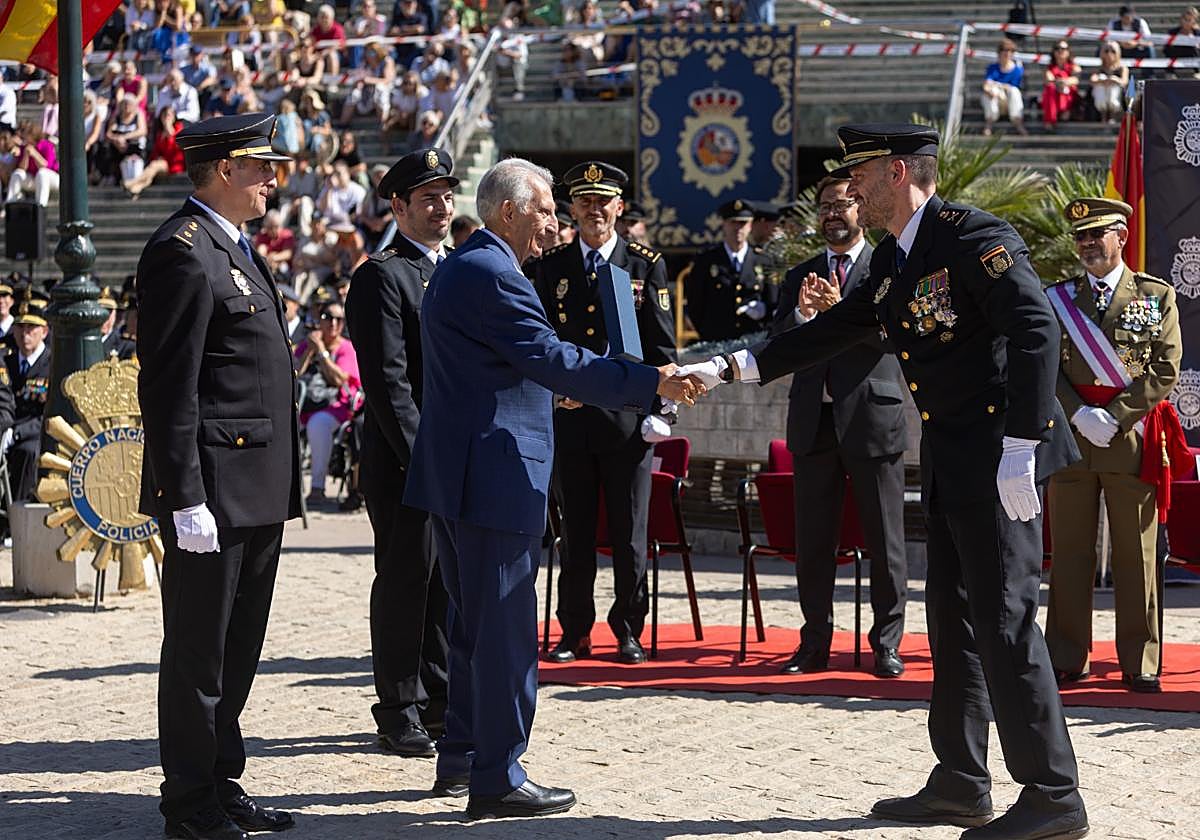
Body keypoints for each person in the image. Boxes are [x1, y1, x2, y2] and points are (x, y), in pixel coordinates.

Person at [680, 124, 1089, 840]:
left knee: (1005, 621)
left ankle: (1054, 795)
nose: (848, 191)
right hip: (956, 461)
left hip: (1002, 461)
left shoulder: (967, 234)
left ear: (897, 172)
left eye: (859, 176)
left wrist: (1024, 443)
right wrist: (726, 369)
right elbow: (833, 330)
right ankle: (962, 779)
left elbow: (1035, 328)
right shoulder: (896, 259)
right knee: (956, 624)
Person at [402, 157, 702, 818]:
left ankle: (462, 757)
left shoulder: (466, 263)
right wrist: (653, 380)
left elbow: (503, 367)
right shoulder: (494, 272)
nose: (555, 224)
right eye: (544, 210)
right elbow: (552, 356)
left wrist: (547, 391)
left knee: (470, 626)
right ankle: (499, 774)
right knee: (504, 632)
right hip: (495, 474)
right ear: (508, 210)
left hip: (463, 472)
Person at [136, 112, 300, 840]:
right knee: (199, 653)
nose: (274, 179)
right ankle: (189, 802)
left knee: (238, 651)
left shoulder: (231, 246)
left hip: (256, 486)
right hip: (213, 489)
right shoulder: (182, 251)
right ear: (225, 169)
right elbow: (170, 387)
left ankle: (220, 780)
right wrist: (184, 497)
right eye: (263, 166)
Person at [526, 161, 676, 666]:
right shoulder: (551, 265)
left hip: (628, 423)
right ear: (572, 208)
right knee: (577, 533)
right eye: (584, 201)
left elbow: (661, 344)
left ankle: (628, 628)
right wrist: (552, 393)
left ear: (620, 207)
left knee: (630, 533)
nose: (594, 210)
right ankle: (575, 629)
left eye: (603, 201)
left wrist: (662, 409)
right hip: (572, 420)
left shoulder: (644, 263)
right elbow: (539, 340)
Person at [769, 174, 908, 679]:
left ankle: (886, 643)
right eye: (824, 205)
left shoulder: (890, 267)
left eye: (842, 204)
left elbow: (898, 338)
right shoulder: (800, 275)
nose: (832, 213)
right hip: (814, 421)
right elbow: (776, 348)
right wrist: (804, 320)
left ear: (861, 208)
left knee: (885, 541)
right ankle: (814, 642)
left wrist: (841, 313)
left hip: (873, 420)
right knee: (814, 542)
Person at [1044, 198, 1183, 695]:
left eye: (1096, 234)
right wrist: (1078, 413)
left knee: (1136, 556)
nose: (1086, 244)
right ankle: (1065, 656)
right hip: (1073, 441)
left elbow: (1166, 367)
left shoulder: (1154, 295)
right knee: (1071, 553)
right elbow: (1042, 365)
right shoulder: (1056, 298)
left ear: (1122, 237)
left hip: (1130, 441)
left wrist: (1117, 416)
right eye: (1080, 236)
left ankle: (1140, 661)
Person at [345, 148, 457, 760]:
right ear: (398, 207)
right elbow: (388, 384)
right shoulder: (381, 276)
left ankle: (440, 697)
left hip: (451, 455)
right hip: (403, 461)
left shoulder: (453, 270)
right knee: (405, 581)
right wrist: (424, 457)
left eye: (445, 197)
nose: (440, 208)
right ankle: (397, 707)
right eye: (427, 199)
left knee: (444, 582)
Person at [295, 300, 360, 507]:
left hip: (336, 408)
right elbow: (293, 374)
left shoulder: (346, 348)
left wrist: (322, 352)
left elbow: (339, 380)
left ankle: (317, 488)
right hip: (305, 405)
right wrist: (309, 351)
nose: (333, 323)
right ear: (319, 320)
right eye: (328, 318)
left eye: (338, 319)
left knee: (318, 425)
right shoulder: (308, 344)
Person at [684, 199, 775, 342]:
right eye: (733, 222)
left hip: (754, 340)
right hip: (716, 340)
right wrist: (706, 333)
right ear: (724, 224)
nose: (738, 228)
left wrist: (764, 311)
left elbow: (774, 301)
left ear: (750, 225)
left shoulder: (763, 260)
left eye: (743, 223)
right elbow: (695, 302)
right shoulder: (706, 259)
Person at [2, 290, 49, 503]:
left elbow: (47, 413)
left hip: (33, 432)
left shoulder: (52, 363)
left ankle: (17, 516)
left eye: (32, 328)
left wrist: (17, 433)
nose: (25, 334)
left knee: (28, 452)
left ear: (45, 332)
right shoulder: (6, 360)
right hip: (5, 427)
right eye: (21, 327)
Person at [124, 104, 185, 198]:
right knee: (151, 171)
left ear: (174, 117)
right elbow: (156, 152)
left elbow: (176, 149)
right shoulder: (160, 133)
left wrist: (169, 131)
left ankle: (132, 182)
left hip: (174, 164)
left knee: (154, 166)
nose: (166, 118)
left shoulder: (178, 129)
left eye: (169, 115)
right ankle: (135, 189)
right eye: (164, 115)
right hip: (162, 164)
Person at [5, 121, 59, 207]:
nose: (24, 137)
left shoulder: (46, 145)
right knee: (17, 174)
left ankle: (40, 206)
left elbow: (47, 166)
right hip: (34, 179)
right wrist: (26, 155)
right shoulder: (24, 147)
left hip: (52, 178)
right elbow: (21, 169)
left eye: (26, 134)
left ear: (33, 135)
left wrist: (35, 154)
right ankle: (10, 204)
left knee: (42, 173)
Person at [981, 39, 1027, 136]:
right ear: (999, 52)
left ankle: (1017, 121)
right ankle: (989, 122)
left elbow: (1014, 87)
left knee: (1014, 91)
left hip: (1009, 100)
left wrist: (997, 85)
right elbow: (986, 85)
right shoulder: (993, 68)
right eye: (1004, 50)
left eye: (1010, 51)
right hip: (996, 99)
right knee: (990, 91)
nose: (1007, 53)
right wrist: (990, 90)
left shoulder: (1017, 70)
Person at [1041, 42, 1080, 131]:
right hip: (1054, 94)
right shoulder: (1049, 67)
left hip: (1069, 95)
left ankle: (1062, 112)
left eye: (1063, 49)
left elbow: (1075, 80)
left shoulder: (1074, 66)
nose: (1060, 51)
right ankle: (1051, 118)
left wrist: (1062, 81)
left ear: (1068, 51)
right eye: (1057, 48)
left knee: (1064, 87)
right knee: (1051, 88)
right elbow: (1048, 79)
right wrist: (1062, 82)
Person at [1089, 41, 1130, 122]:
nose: (1109, 54)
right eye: (1106, 51)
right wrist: (1103, 81)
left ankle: (1112, 114)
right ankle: (1103, 113)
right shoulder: (1098, 69)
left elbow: (1124, 82)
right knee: (1101, 79)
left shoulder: (1122, 68)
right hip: (1102, 98)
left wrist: (1114, 80)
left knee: (1113, 85)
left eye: (1113, 51)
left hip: (1118, 98)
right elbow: (1092, 80)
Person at [99, 286, 136, 359]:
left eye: (109, 312)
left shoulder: (126, 346)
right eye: (100, 312)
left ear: (115, 314)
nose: (104, 318)